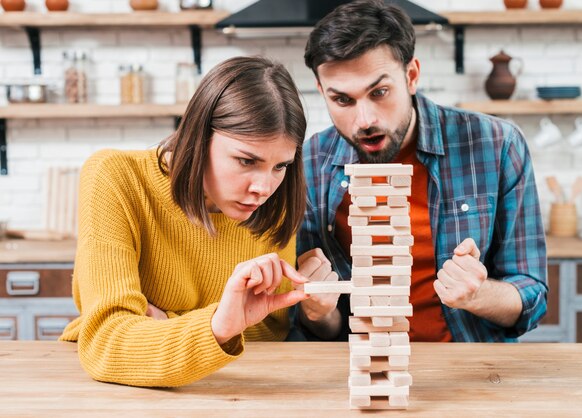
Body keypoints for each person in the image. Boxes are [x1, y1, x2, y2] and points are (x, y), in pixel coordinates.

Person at [292, 0, 548, 342]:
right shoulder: (309, 163)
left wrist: (478, 293)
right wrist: (317, 313)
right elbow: (323, 326)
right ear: (322, 92)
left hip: (471, 367)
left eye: (379, 92)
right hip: (362, 373)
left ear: (411, 76)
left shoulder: (497, 144)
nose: (365, 120)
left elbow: (532, 296)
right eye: (343, 100)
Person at [60, 56, 319, 387]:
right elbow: (107, 341)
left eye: (280, 166)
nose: (263, 188)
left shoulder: (274, 206)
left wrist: (164, 320)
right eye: (246, 160)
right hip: (117, 390)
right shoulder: (115, 178)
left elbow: (267, 329)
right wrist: (216, 325)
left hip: (237, 390)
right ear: (199, 137)